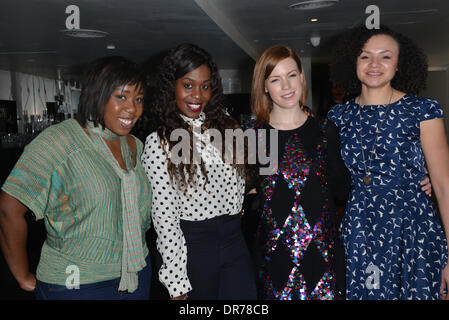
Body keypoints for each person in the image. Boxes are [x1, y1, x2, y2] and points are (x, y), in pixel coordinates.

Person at [0, 56, 152, 300]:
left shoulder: (136, 145)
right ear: (97, 95)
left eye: (139, 99)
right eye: (121, 97)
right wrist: (21, 275)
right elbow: (9, 208)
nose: (132, 109)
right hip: (76, 284)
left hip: (136, 275)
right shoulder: (59, 141)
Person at [327, 25, 449, 300]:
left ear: (399, 65)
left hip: (413, 230)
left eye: (385, 56)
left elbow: (443, 185)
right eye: (365, 56)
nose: (374, 65)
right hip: (359, 231)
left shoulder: (423, 110)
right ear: (352, 62)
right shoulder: (337, 117)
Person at [141, 43, 256, 300]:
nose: (197, 95)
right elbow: (165, 219)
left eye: (205, 86)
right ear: (172, 86)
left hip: (234, 239)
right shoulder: (159, 141)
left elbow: (241, 183)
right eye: (188, 85)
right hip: (194, 246)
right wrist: (176, 281)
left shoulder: (226, 125)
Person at [247, 45, 350, 300]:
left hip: (323, 259)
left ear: (302, 78)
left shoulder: (326, 131)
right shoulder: (254, 136)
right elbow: (248, 201)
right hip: (274, 262)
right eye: (275, 79)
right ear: (264, 87)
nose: (286, 86)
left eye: (292, 75)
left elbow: (343, 190)